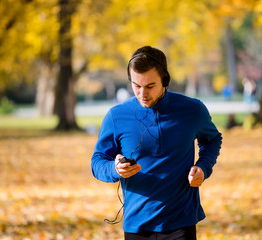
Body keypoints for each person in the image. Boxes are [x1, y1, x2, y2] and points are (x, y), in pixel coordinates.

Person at [91, 46, 222, 240]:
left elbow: (212, 140)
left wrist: (203, 168)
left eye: (150, 86)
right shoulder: (116, 116)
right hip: (137, 225)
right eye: (136, 85)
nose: (142, 93)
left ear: (165, 80)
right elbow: (97, 162)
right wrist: (114, 169)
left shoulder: (193, 110)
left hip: (181, 221)